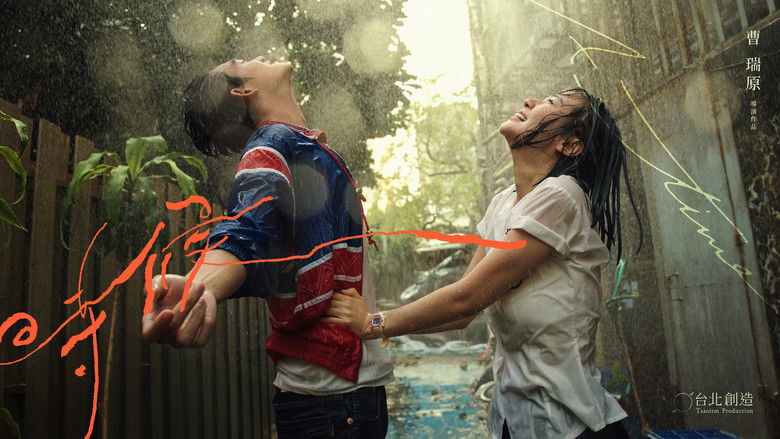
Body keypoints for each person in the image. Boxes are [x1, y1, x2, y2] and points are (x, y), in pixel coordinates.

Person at [323, 88, 642, 439]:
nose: (530, 101)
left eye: (551, 104)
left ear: (569, 144)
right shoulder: (503, 203)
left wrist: (372, 323)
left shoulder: (562, 195)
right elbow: (462, 312)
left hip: (569, 426)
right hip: (513, 423)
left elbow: (466, 298)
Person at [140, 55, 394, 439]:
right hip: (332, 404)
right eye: (240, 61)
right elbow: (246, 229)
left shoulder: (297, 147)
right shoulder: (271, 146)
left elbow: (263, 248)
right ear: (244, 90)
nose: (256, 56)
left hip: (341, 395)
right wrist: (199, 286)